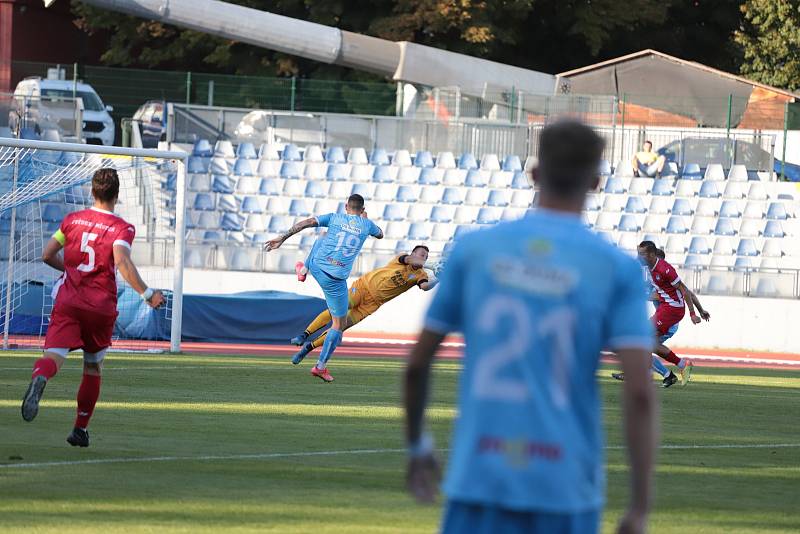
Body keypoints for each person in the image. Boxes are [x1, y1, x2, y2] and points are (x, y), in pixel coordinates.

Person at [404, 120, 657, 534]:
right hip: (566, 488)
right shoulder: (617, 269)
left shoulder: (475, 250)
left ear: (535, 174)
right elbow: (639, 392)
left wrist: (418, 446)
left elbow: (417, 365)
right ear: (595, 182)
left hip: (478, 480)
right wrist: (639, 507)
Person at [20, 168, 165, 447]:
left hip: (69, 301)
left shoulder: (72, 221)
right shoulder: (122, 228)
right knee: (93, 367)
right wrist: (147, 293)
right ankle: (80, 428)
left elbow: (46, 254)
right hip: (100, 306)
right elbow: (121, 262)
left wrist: (72, 270)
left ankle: (40, 377)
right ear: (117, 194)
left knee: (53, 355)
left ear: (92, 191)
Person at [264, 194, 383, 382]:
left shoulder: (334, 217)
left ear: (346, 206)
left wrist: (282, 238)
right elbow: (380, 234)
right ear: (362, 209)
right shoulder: (366, 225)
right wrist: (365, 221)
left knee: (323, 235)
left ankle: (304, 269)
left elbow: (305, 223)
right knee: (339, 325)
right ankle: (320, 367)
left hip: (318, 266)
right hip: (335, 279)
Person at [290, 245, 439, 364]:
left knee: (340, 327)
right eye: (421, 255)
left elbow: (425, 287)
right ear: (413, 253)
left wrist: (438, 278)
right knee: (337, 311)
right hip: (363, 287)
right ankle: (304, 335)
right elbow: (411, 260)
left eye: (426, 257)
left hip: (372, 304)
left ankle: (307, 349)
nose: (423, 258)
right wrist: (431, 264)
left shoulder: (421, 275)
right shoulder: (402, 257)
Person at [613, 248, 710, 387]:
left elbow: (677, 293)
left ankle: (644, 374)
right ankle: (675, 369)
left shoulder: (665, 275)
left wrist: (697, 312)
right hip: (663, 318)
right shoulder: (654, 275)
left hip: (668, 321)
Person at [635, 241, 701, 386]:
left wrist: (693, 313)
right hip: (666, 309)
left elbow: (685, 290)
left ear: (652, 255)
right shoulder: (648, 267)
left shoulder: (665, 269)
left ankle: (645, 376)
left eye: (642, 254)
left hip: (672, 309)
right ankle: (682, 365)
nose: (639, 257)